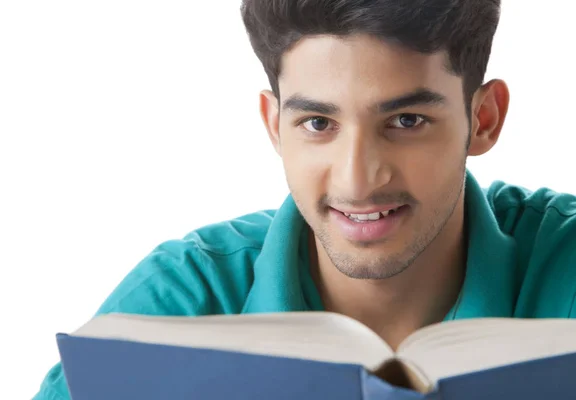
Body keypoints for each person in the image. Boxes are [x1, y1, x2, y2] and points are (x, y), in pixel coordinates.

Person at [34, 0, 576, 398]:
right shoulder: (183, 299)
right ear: (275, 126)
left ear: (483, 120)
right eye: (318, 122)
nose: (358, 180)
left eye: (407, 121)